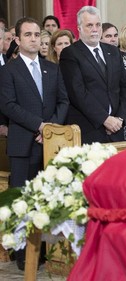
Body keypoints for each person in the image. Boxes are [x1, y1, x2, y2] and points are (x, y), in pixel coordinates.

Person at [0, 17, 69, 269]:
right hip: (23, 144)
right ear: (17, 39)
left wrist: (49, 128)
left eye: (36, 34)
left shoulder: (53, 68)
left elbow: (63, 101)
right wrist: (40, 126)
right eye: (27, 35)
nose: (33, 38)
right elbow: (8, 105)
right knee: (23, 200)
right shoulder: (8, 70)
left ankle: (45, 251)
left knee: (46, 198)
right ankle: (22, 253)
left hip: (50, 145)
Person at [60, 6, 126, 144]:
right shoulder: (70, 53)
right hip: (90, 129)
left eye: (98, 25)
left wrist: (120, 119)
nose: (95, 29)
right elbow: (78, 92)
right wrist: (105, 119)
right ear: (79, 28)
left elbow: (125, 86)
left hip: (117, 129)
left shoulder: (113, 51)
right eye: (89, 25)